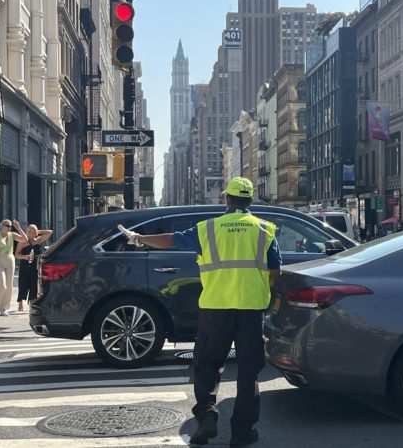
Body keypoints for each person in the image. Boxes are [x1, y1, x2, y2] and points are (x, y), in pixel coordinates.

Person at [118, 177, 282, 447]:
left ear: (227, 199)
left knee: (207, 365)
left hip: (215, 308)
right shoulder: (265, 229)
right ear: (250, 201)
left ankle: (207, 417)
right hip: (251, 309)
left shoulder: (208, 228)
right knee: (248, 371)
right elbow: (274, 271)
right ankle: (242, 432)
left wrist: (139, 238)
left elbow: (172, 240)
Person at [15, 224, 53, 312]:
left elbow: (50, 232)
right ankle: (20, 302)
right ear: (28, 232)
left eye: (33, 232)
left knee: (34, 284)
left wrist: (38, 231)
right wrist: (25, 257)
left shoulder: (38, 240)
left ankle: (32, 302)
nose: (31, 234)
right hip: (25, 265)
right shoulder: (23, 241)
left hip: (35, 265)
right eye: (30, 231)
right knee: (23, 283)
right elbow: (16, 254)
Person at [0, 219, 27, 316]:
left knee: (9, 286)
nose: (9, 228)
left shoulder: (12, 235)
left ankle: (4, 308)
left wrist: (18, 227)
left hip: (10, 260)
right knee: (2, 285)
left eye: (10, 226)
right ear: (2, 226)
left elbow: (25, 239)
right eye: (7, 225)